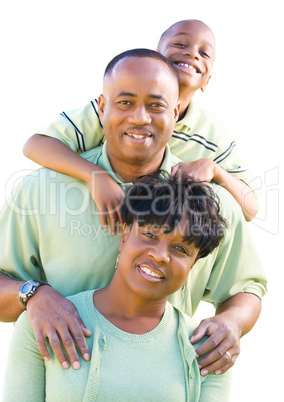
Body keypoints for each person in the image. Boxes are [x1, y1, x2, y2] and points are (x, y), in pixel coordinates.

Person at [0, 49, 267, 378]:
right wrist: (33, 294)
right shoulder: (40, 190)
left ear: (177, 110)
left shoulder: (212, 204)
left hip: (163, 387)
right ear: (102, 107)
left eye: (156, 105)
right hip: (60, 386)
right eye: (125, 102)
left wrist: (232, 323)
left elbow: (246, 288)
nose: (140, 117)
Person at [3, 175, 232, 401]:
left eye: (181, 249)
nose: (160, 255)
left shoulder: (209, 350)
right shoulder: (45, 322)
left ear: (193, 265)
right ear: (124, 235)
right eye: (150, 235)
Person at [23, 19, 259, 229]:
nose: (193, 54)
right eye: (180, 44)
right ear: (155, 57)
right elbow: (36, 145)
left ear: (207, 80)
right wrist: (95, 176)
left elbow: (251, 208)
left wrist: (215, 170)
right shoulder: (114, 110)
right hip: (89, 220)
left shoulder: (212, 134)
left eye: (204, 53)